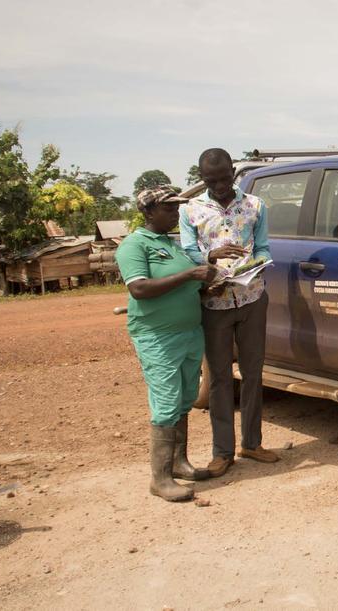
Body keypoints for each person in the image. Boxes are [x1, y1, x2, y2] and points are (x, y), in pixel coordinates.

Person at [115, 185, 217, 502]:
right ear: (147, 212)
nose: (176, 213)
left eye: (177, 208)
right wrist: (189, 277)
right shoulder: (134, 245)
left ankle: (178, 462)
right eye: (168, 208)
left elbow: (181, 283)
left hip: (189, 332)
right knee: (166, 401)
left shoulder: (172, 245)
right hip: (158, 336)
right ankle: (159, 479)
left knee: (186, 397)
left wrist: (206, 287)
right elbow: (141, 289)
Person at [179, 148, 276, 478]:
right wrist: (211, 255)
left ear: (233, 172)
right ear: (202, 178)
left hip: (251, 297)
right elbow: (188, 254)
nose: (219, 186)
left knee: (253, 373)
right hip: (214, 302)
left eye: (224, 178)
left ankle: (252, 443)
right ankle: (223, 452)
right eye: (211, 180)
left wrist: (258, 263)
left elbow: (262, 246)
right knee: (220, 378)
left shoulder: (255, 206)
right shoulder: (191, 210)